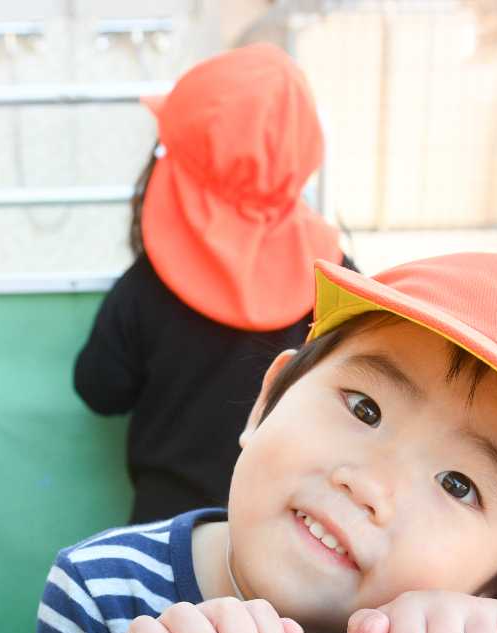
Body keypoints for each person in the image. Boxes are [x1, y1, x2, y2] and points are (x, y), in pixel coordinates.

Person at [37, 253, 497, 633]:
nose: (370, 484)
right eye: (365, 407)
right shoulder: (105, 590)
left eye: (459, 485)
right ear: (266, 401)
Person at [73, 44, 356, 525]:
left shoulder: (146, 287)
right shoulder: (336, 279)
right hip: (290, 535)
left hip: (165, 536)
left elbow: (100, 389)